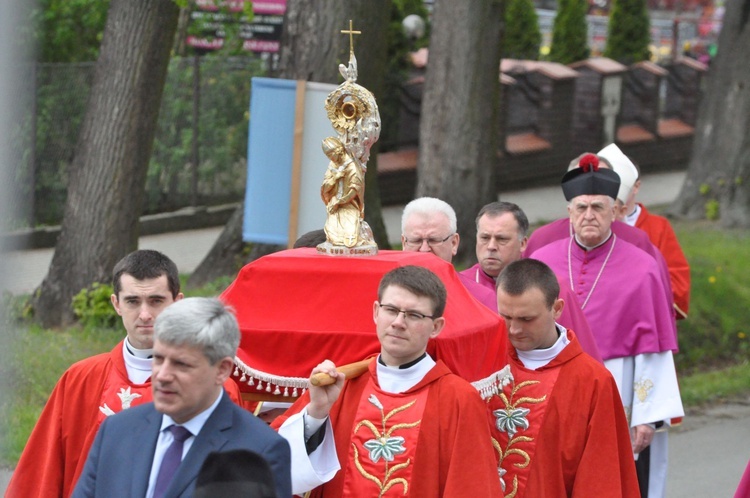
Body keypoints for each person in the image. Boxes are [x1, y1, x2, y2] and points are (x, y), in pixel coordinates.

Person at [5, 250, 241, 498]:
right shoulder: (80, 378)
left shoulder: (212, 386)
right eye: (132, 301)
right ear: (116, 304)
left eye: (156, 300)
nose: (145, 314)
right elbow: (42, 473)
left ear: (177, 302)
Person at [528, 156, 684, 498]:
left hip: (620, 389)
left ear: (615, 210)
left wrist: (647, 416)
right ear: (569, 211)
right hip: (551, 390)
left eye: (598, 207)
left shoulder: (642, 268)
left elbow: (653, 347)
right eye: (581, 207)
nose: (589, 216)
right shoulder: (541, 264)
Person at [273, 265, 503, 497]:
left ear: (436, 327)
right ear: (376, 312)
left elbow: (473, 485)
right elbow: (273, 461)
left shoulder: (459, 399)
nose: (398, 322)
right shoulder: (341, 385)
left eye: (414, 315)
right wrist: (316, 414)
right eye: (391, 310)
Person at [72, 297, 292, 498]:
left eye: (181, 364)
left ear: (222, 370)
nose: (163, 375)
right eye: (158, 359)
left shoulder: (260, 451)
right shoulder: (116, 431)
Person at [472, 259, 639, 497]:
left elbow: (601, 475)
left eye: (527, 319)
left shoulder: (592, 381)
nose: (514, 330)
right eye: (506, 317)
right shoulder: (483, 365)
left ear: (557, 308)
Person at [460, 201, 603, 362]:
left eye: (501, 239)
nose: (491, 246)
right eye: (485, 238)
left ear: (523, 244)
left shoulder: (551, 286)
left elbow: (583, 357)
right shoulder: (459, 287)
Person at [603, 145, 691, 320]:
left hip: (644, 318)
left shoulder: (658, 227)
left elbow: (677, 279)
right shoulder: (588, 226)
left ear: (635, 187)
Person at [400, 196, 498, 311]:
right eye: (416, 241)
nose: (424, 250)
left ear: (454, 243)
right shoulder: (385, 296)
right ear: (403, 243)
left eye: (433, 240)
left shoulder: (481, 299)